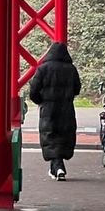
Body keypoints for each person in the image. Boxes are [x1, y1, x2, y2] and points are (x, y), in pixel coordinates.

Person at [29, 42, 81, 181]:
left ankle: (57, 166)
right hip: (66, 108)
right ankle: (57, 167)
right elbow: (77, 89)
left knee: (50, 136)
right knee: (63, 136)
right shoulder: (71, 69)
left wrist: (41, 101)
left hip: (48, 109)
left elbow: (33, 91)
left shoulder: (43, 69)